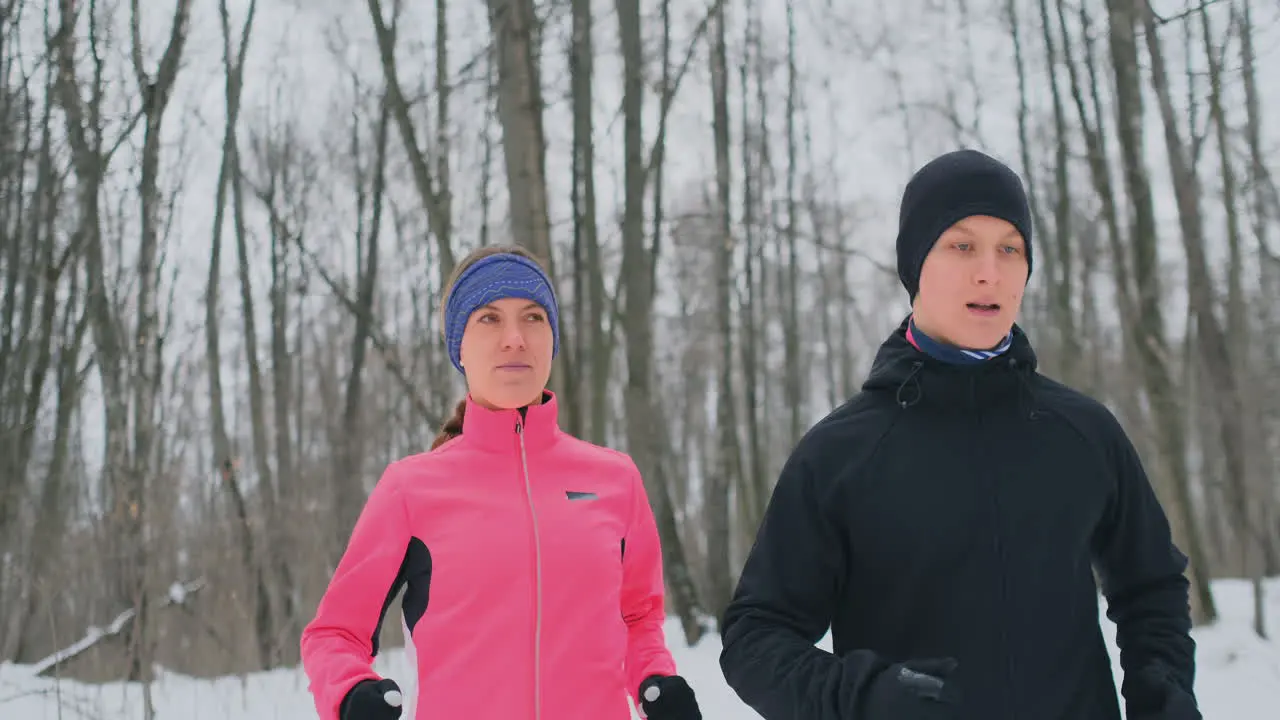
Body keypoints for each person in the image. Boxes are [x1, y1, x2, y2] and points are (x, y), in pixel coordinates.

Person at [718, 149, 1200, 720]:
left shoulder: (1083, 432)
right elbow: (755, 636)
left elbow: (1152, 587)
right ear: (916, 263)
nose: (988, 272)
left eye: (1010, 249)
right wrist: (864, 696)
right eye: (962, 245)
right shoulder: (842, 453)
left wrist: (1161, 691)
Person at [301, 245, 702, 720]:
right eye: (489, 319)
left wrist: (655, 677)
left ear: (552, 340)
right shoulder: (410, 489)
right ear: (460, 348)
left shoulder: (615, 479)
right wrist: (350, 693)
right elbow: (335, 634)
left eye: (533, 318)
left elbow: (639, 618)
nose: (515, 338)